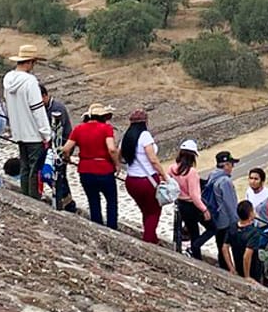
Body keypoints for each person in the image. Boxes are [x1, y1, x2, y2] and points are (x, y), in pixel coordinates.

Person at [3, 44, 51, 199]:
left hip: (18, 131)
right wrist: (46, 133)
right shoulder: (30, 81)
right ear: (30, 62)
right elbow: (37, 109)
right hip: (33, 133)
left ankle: (25, 196)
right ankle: (33, 198)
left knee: (24, 166)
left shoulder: (8, 79)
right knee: (34, 170)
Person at [64, 104, 120, 229]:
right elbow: (111, 149)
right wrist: (117, 164)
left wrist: (67, 159)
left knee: (93, 201)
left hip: (85, 170)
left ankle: (98, 227)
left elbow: (66, 148)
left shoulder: (78, 129)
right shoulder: (106, 128)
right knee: (111, 201)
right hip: (104, 169)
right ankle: (112, 228)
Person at [120, 110, 167, 243]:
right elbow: (153, 159)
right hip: (147, 181)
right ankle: (149, 241)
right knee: (154, 211)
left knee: (145, 210)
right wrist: (164, 175)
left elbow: (119, 155)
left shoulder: (127, 136)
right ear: (145, 122)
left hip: (131, 180)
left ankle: (152, 237)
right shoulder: (145, 136)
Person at [196, 151, 240, 270]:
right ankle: (228, 268)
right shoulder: (225, 181)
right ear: (225, 165)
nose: (232, 167)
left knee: (220, 244)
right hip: (225, 219)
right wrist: (236, 221)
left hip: (216, 217)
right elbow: (230, 203)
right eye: (231, 164)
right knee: (227, 246)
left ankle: (223, 266)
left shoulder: (213, 175)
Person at [168, 141, 209, 258]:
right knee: (212, 228)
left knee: (193, 231)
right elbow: (194, 195)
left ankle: (196, 255)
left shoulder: (172, 168)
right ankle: (194, 249)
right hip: (192, 205)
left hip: (181, 203)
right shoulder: (191, 173)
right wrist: (204, 210)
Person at [42, 84, 75, 212]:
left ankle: (67, 202)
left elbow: (59, 132)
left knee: (59, 174)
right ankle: (65, 200)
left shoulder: (57, 108)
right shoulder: (45, 107)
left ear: (45, 95)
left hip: (62, 146)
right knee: (54, 175)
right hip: (52, 147)